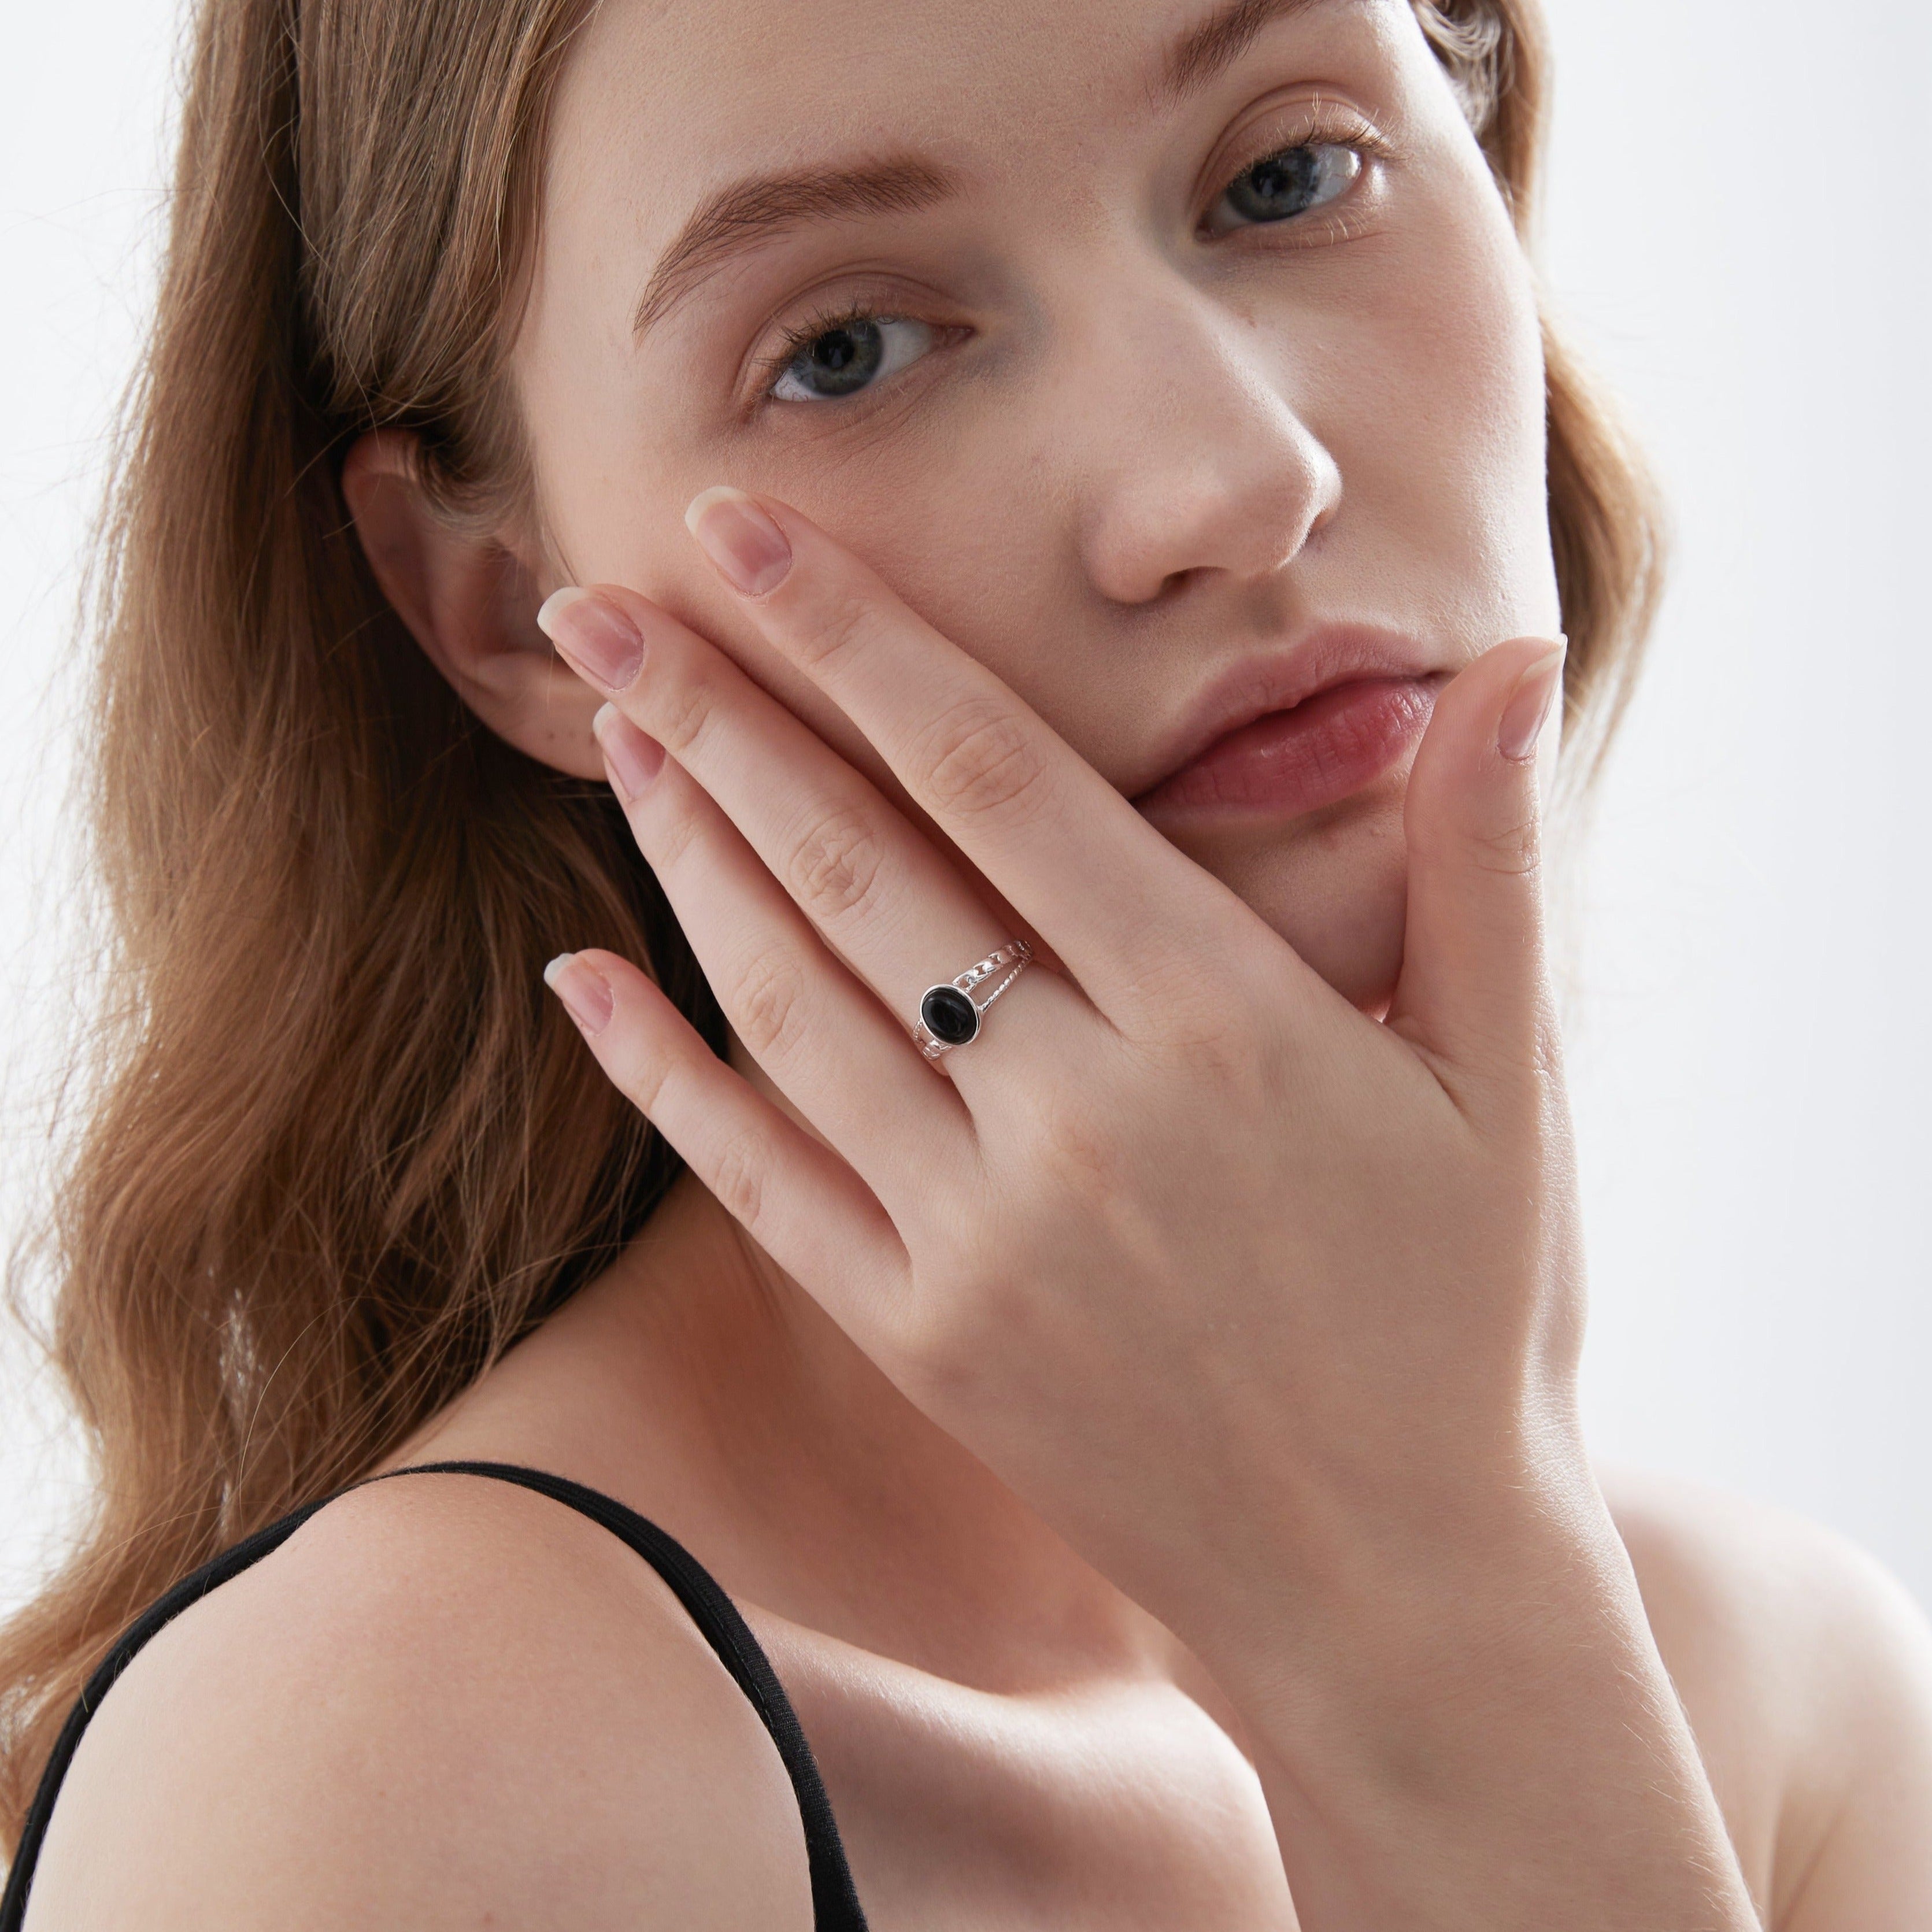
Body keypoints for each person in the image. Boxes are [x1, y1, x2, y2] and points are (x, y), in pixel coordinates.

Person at [2, 0, 1927, 1922]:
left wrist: (1463, 1629)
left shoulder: (1783, 1696)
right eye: (843, 351)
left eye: (1289, 174)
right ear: (508, 616)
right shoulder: (399, 1769)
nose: (1236, 480)